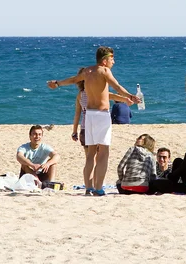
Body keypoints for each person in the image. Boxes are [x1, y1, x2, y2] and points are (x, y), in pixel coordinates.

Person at [48, 46, 141, 196]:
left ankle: (88, 188)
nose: (114, 62)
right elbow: (116, 86)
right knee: (103, 152)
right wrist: (131, 96)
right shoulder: (104, 71)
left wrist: (57, 83)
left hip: (89, 115)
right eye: (112, 59)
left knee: (91, 153)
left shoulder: (87, 71)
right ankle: (98, 188)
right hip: (102, 115)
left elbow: (73, 80)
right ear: (104, 60)